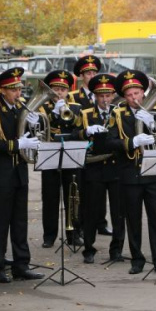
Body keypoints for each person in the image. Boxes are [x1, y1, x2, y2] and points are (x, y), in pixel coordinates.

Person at [101, 70, 156, 275]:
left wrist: (152, 124)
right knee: (133, 219)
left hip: (153, 173)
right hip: (130, 173)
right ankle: (137, 259)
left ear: (144, 93)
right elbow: (109, 142)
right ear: (124, 97)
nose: (135, 99)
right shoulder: (117, 114)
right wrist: (132, 141)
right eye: (130, 95)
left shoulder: (155, 112)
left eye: (138, 93)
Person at [0, 68, 44, 283]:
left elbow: (28, 135)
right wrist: (17, 145)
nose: (19, 93)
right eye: (14, 89)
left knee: (20, 222)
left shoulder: (20, 109)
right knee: (1, 222)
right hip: (1, 174)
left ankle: (21, 265)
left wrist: (35, 127)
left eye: (19, 88)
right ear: (2, 90)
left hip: (19, 173)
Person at [80, 74, 126, 264]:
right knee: (92, 211)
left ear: (113, 95)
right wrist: (86, 132)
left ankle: (116, 250)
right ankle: (89, 248)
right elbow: (76, 135)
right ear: (95, 97)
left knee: (118, 212)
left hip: (116, 169)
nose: (105, 99)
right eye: (101, 95)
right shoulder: (85, 114)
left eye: (108, 95)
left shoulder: (120, 112)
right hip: (95, 169)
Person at [38, 70, 83, 248]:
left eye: (63, 90)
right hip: (50, 154)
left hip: (71, 154)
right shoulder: (43, 107)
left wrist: (64, 114)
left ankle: (73, 234)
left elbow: (78, 127)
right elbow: (39, 127)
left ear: (68, 91)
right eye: (56, 89)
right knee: (50, 197)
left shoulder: (76, 107)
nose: (59, 93)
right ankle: (49, 236)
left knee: (72, 196)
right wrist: (53, 115)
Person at [69, 54, 111, 236]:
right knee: (82, 191)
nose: (91, 75)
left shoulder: (107, 96)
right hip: (83, 152)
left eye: (94, 72)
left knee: (101, 191)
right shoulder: (73, 97)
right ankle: (81, 225)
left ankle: (101, 222)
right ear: (81, 76)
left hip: (103, 152)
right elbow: (71, 125)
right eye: (87, 73)